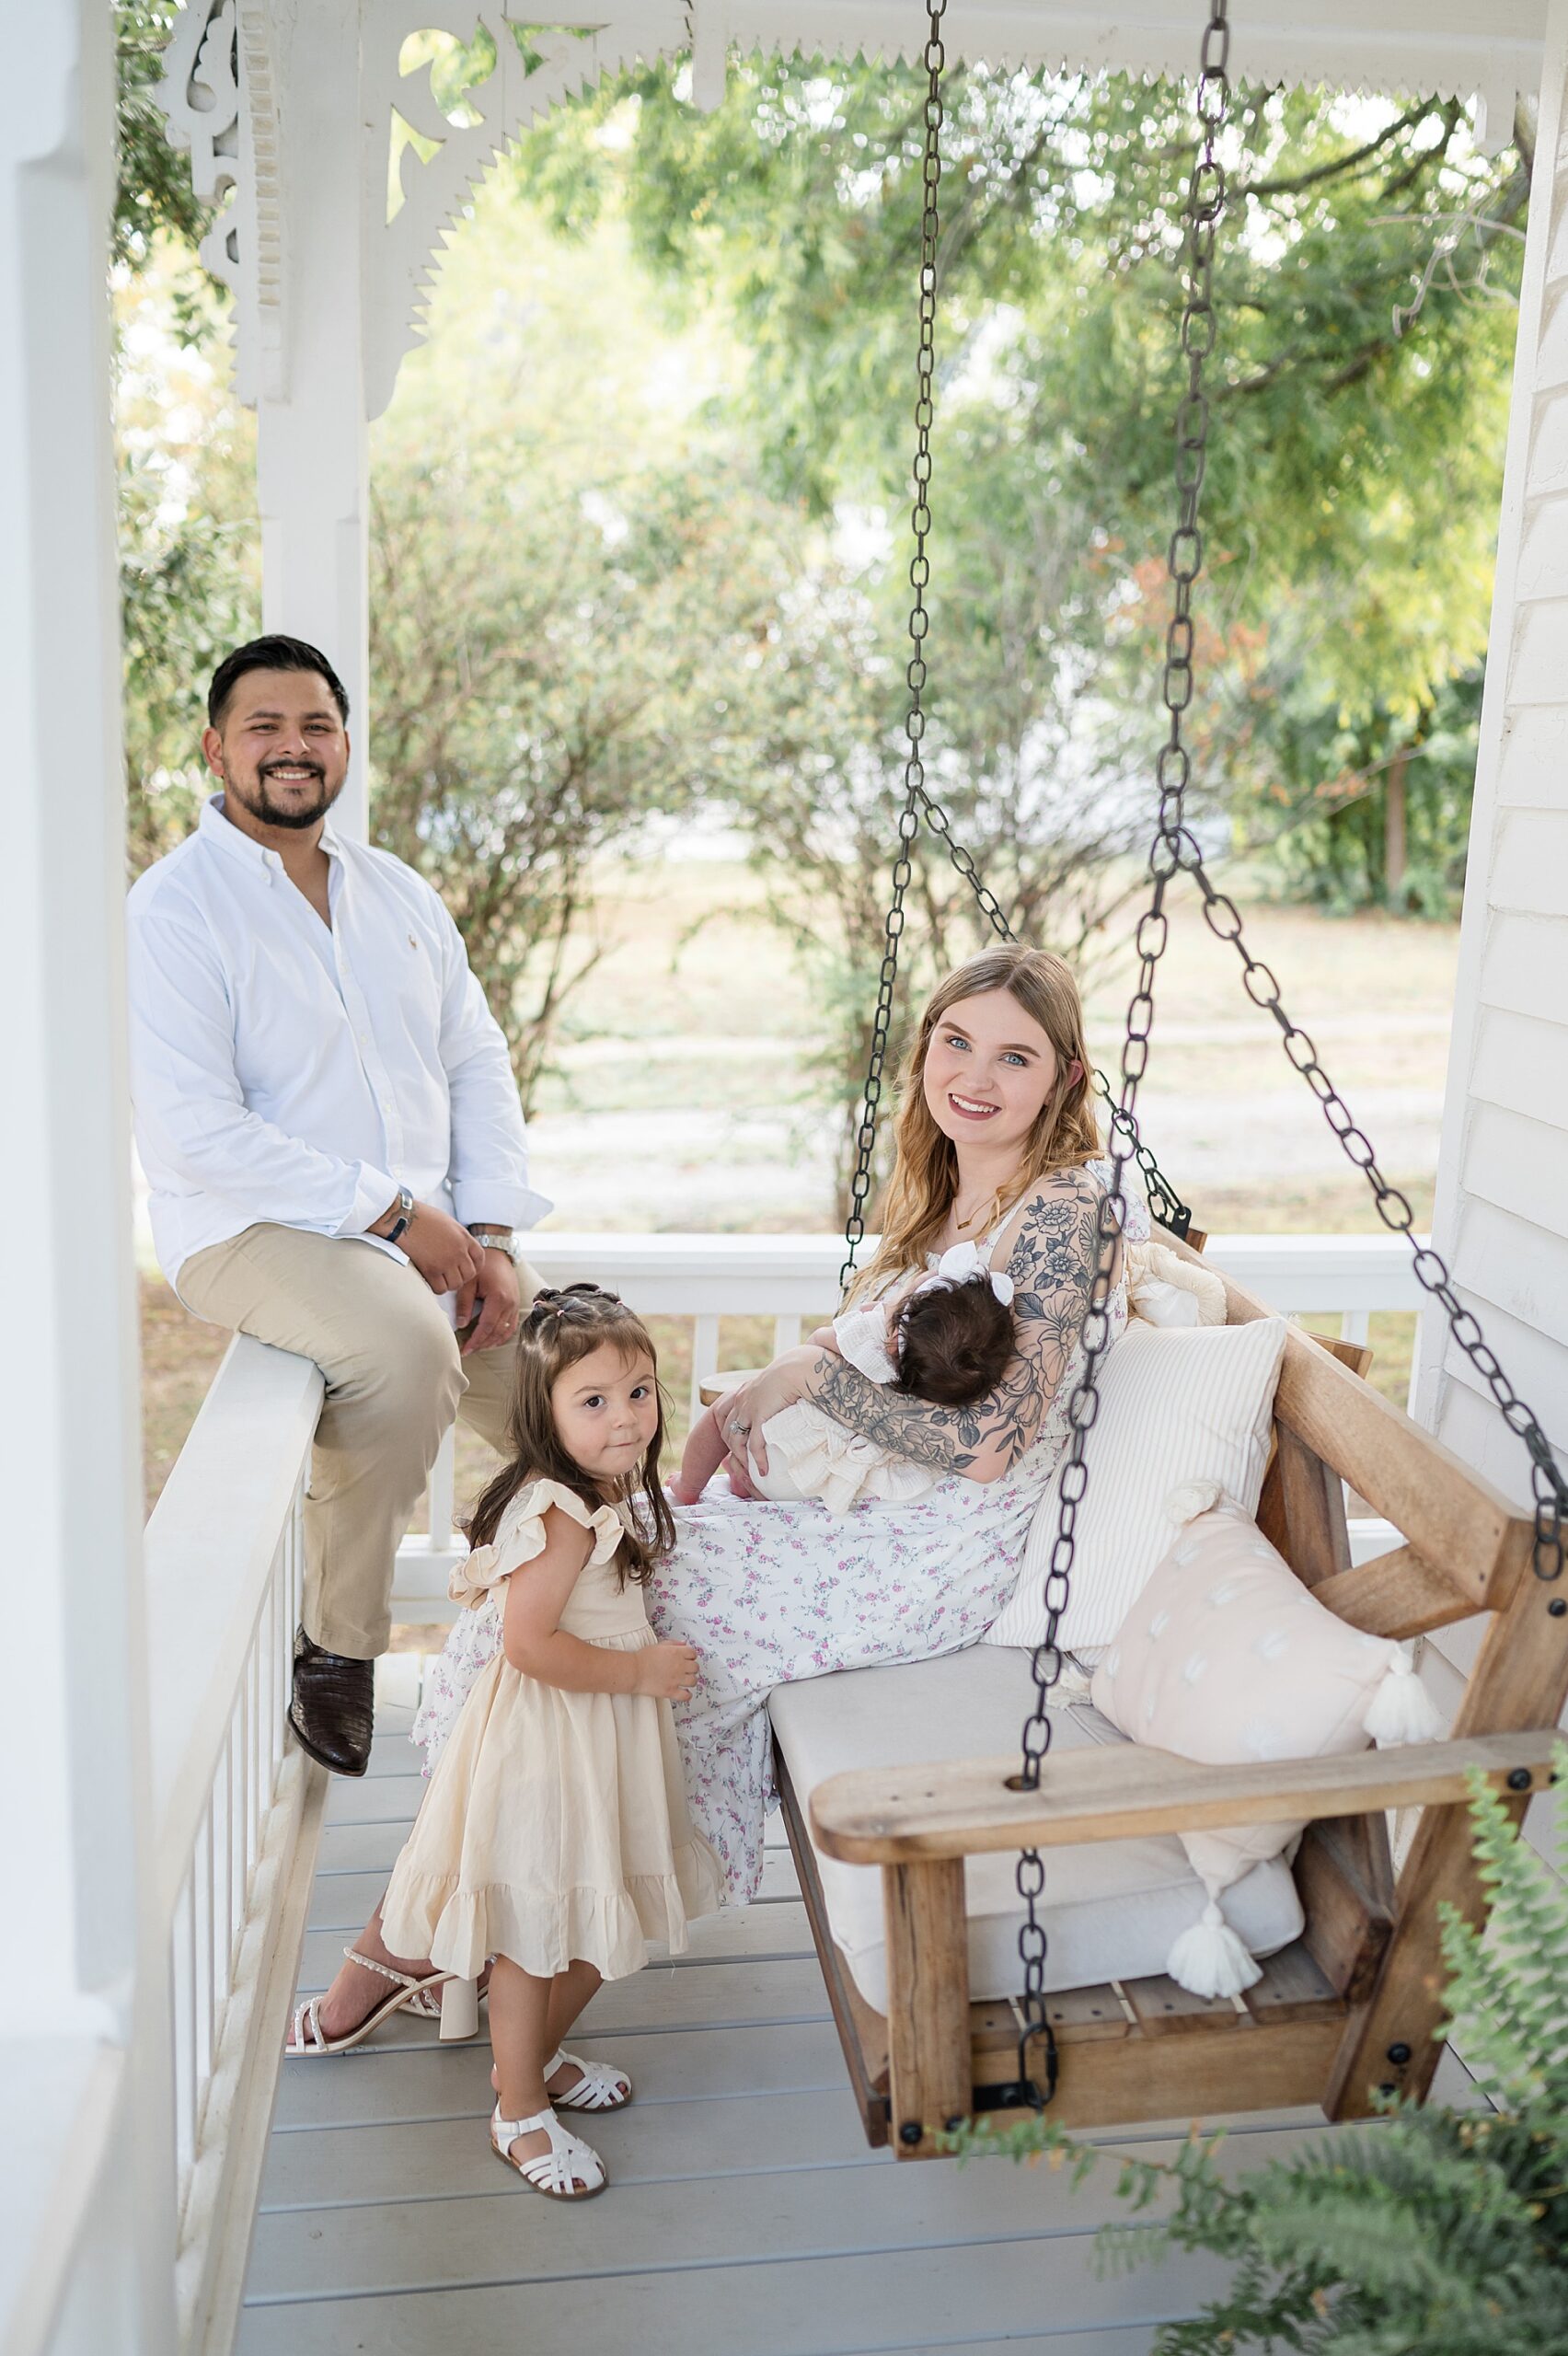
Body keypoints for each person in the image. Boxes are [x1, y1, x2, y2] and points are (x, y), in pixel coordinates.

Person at [125, 634, 550, 1778]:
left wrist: (494, 1237)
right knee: (406, 1349)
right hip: (248, 1226)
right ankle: (340, 1645)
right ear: (216, 750)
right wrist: (393, 1212)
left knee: (570, 1385)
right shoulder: (172, 912)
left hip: (428, 1225)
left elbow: (477, 1059)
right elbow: (196, 1133)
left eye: (315, 726)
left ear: (345, 744)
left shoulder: (395, 891)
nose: (292, 749)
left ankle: (571, 1634)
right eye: (263, 728)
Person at [653, 942, 1145, 1898]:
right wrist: (779, 1378)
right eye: (957, 1042)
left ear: (1066, 1078)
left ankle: (461, 1932)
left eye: (1015, 1056)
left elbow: (990, 1449)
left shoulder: (1062, 1211)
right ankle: (488, 1915)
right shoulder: (947, 1196)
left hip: (938, 1552)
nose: (975, 1076)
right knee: (584, 1564)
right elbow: (874, 1348)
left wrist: (808, 1382)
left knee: (601, 1587)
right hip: (879, 1521)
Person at [370, 1285, 721, 2200]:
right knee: (535, 1932)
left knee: (590, 1914)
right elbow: (528, 1644)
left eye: (638, 1391)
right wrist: (643, 1674)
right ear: (545, 1413)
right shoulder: (560, 1510)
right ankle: (517, 2107)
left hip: (594, 1739)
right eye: (594, 1401)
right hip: (547, 1745)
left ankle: (532, 2059)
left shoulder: (597, 1490)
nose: (626, 1417)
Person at [669, 1246, 1017, 1514]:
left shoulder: (871, 1334)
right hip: (819, 1482)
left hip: (777, 1451)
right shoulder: (932, 1387)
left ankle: (688, 1486)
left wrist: (867, 1319)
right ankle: (747, 1483)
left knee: (724, 1409)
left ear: (900, 1324)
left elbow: (817, 1342)